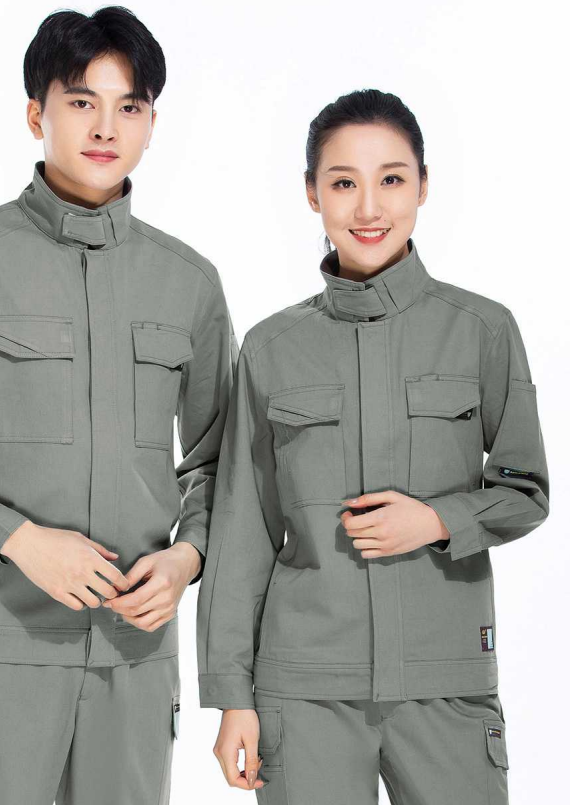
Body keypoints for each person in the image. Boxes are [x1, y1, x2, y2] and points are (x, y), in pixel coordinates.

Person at [0, 7, 237, 804]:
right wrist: (17, 538)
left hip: (134, 657)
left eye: (130, 106)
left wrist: (187, 557)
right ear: (36, 114)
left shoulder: (189, 283)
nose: (106, 127)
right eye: (81, 101)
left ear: (152, 124)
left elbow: (222, 460)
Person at [196, 88, 549, 803]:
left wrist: (437, 519)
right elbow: (242, 530)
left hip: (446, 679)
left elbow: (525, 490)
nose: (367, 208)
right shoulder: (271, 347)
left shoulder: (482, 329)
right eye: (342, 183)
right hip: (303, 687)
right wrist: (232, 695)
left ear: (422, 185)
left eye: (390, 179)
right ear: (311, 194)